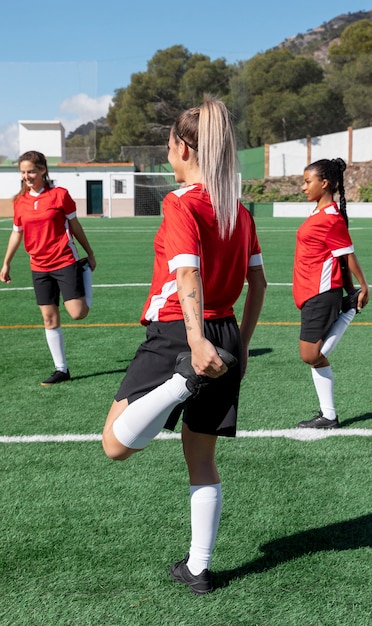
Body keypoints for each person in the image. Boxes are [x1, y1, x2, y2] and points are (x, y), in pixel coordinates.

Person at [102, 96, 267, 595]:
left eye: (169, 146)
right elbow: (258, 287)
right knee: (201, 459)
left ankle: (180, 383)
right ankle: (199, 569)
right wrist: (236, 347)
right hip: (225, 338)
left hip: (180, 334)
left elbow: (187, 271)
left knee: (114, 445)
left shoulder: (181, 202)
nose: (167, 155)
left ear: (185, 149)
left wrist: (194, 346)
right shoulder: (238, 210)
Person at [0, 150, 96, 385]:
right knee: (49, 319)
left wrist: (89, 253)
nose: (27, 176)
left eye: (31, 171)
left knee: (78, 313)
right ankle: (61, 369)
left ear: (43, 170)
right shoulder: (20, 202)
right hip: (39, 266)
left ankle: (83, 273)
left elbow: (75, 225)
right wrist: (6, 263)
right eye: (23, 172)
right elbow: (16, 234)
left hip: (64, 260)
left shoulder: (59, 195)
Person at [293, 157, 369, 429]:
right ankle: (329, 417)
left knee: (310, 355)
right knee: (312, 356)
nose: (303, 187)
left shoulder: (331, 217)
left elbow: (347, 255)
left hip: (322, 292)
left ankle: (348, 312)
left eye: (307, 181)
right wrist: (351, 289)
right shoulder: (318, 213)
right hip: (311, 291)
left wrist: (362, 288)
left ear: (324, 183)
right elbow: (338, 257)